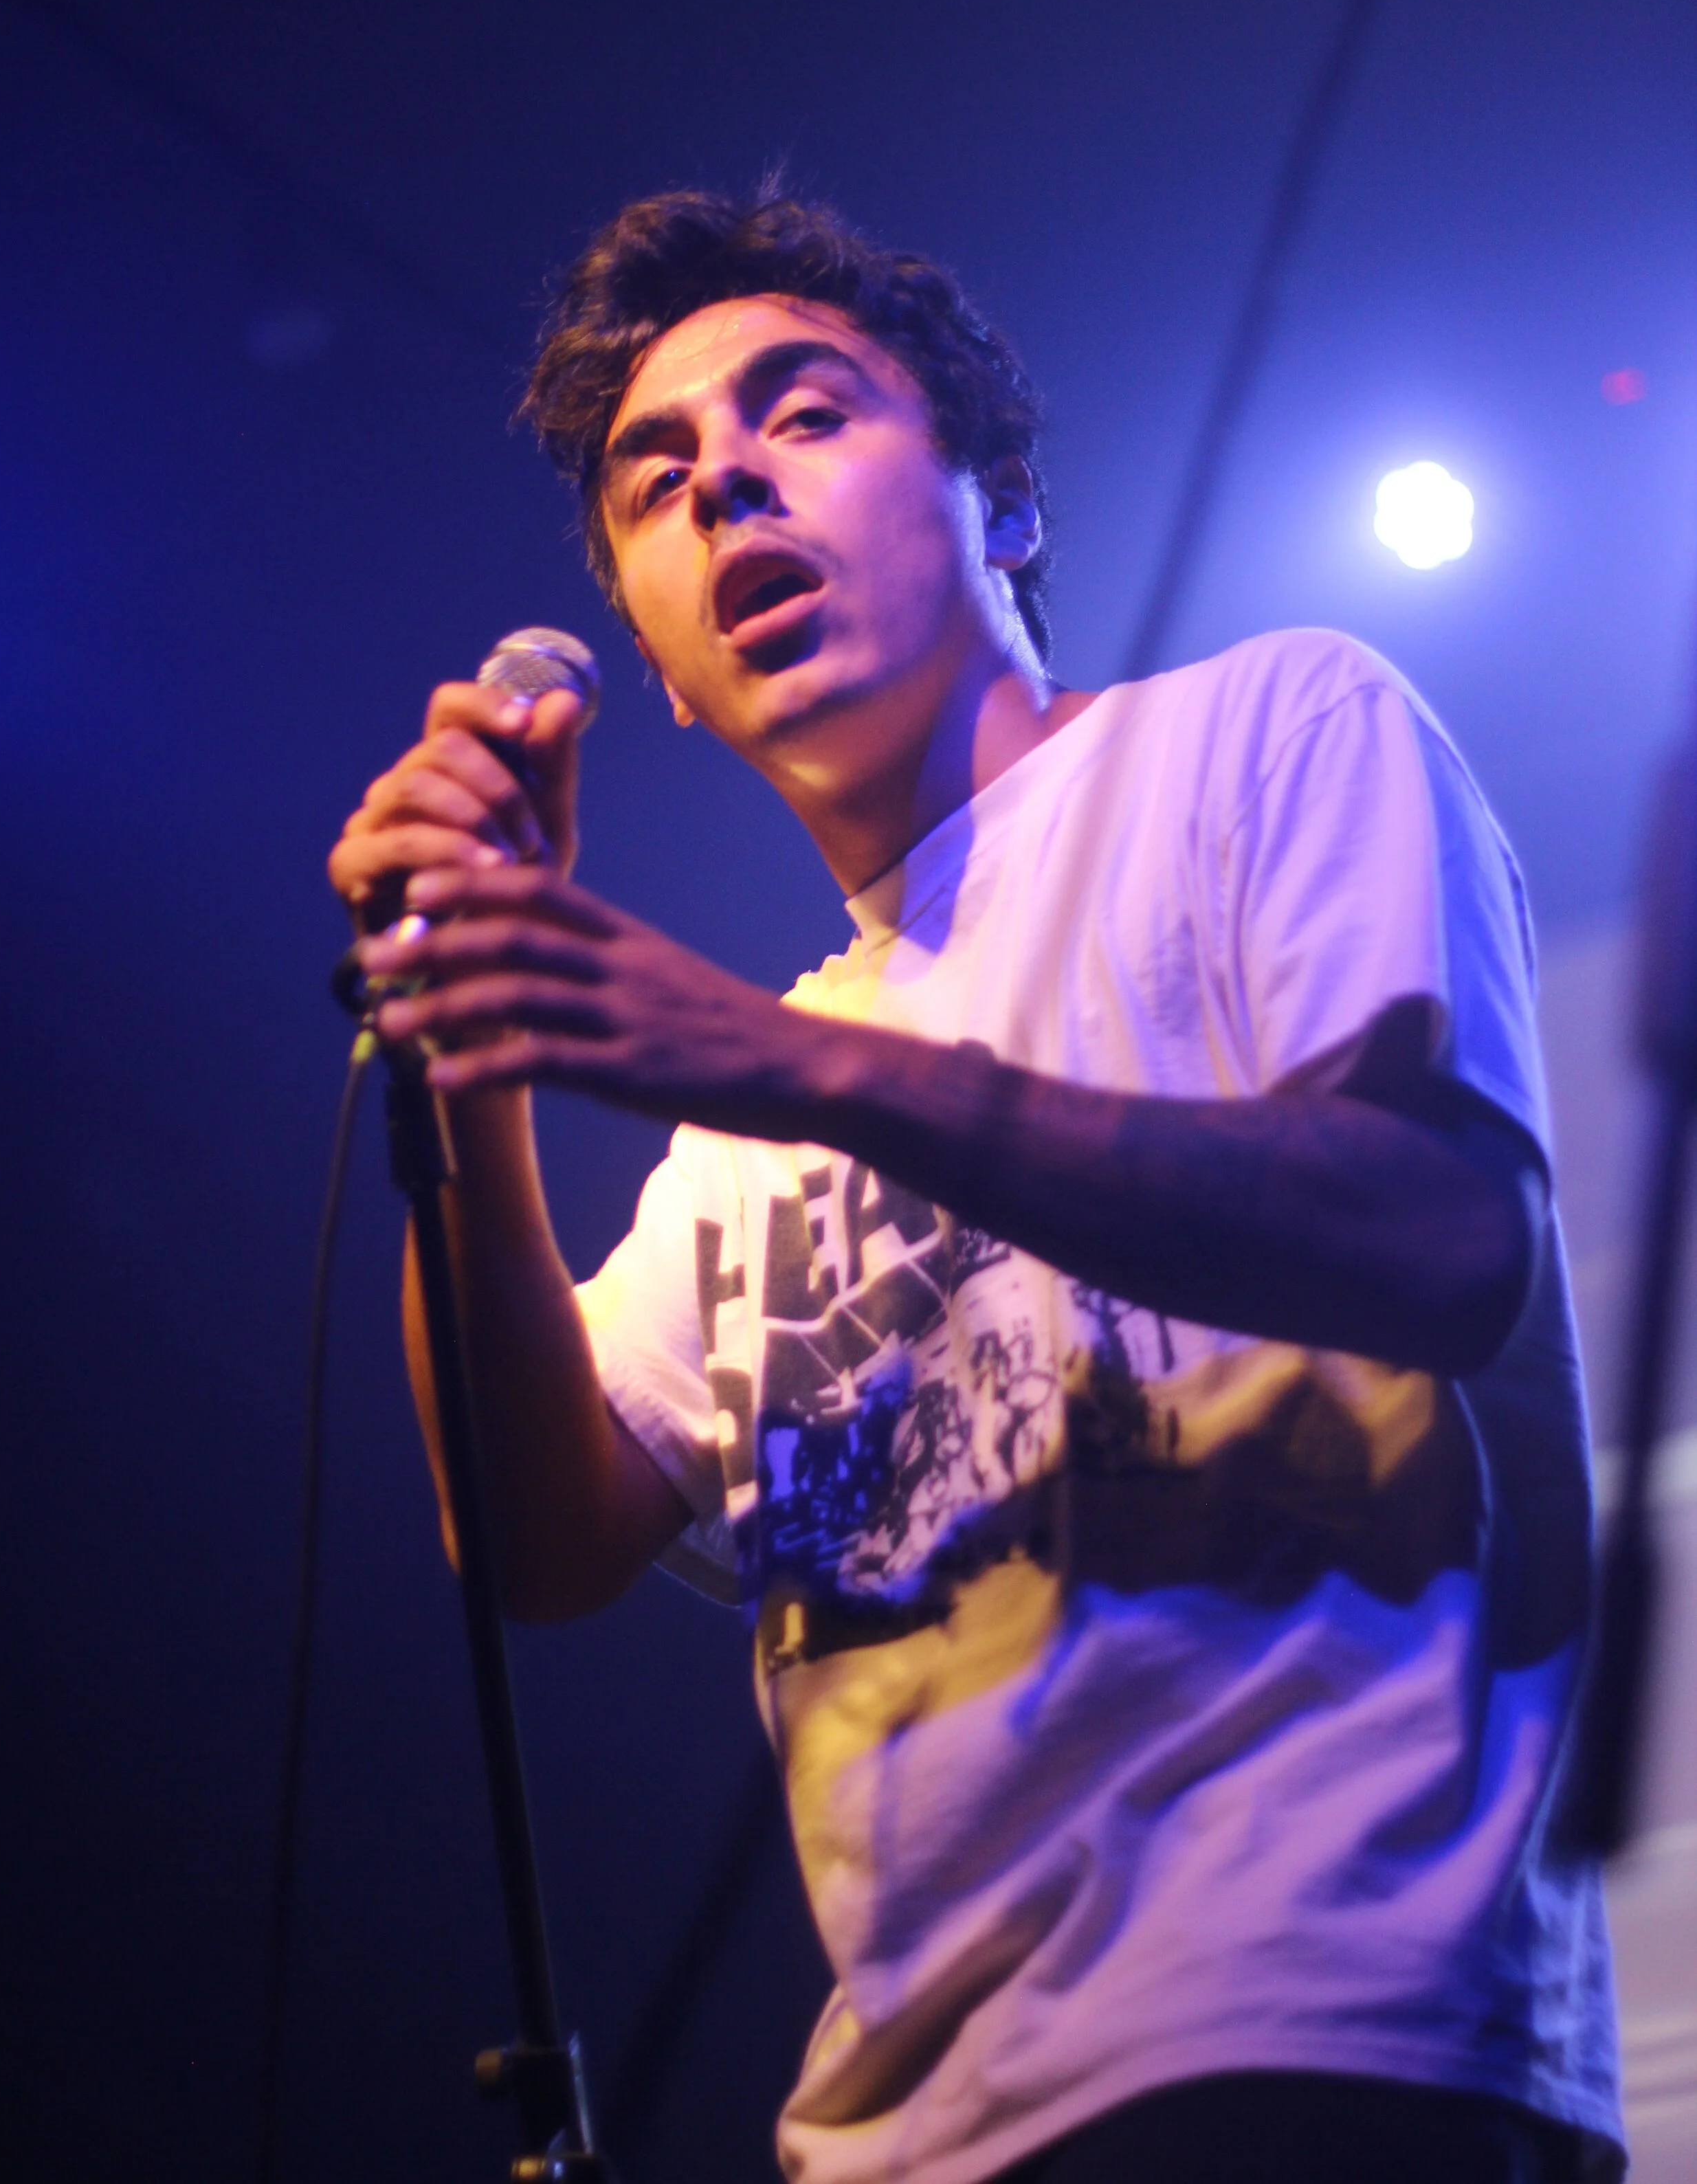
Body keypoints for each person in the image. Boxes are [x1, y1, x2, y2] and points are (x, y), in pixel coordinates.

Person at [329, 192, 1623, 2184]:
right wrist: (470, 1048)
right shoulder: (744, 1123)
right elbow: (538, 1540)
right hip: (904, 2133)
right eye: (657, 481)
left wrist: (796, 1067)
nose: (723, 481)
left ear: (1002, 503)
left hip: (1323, 2036)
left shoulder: (1267, 731)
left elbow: (1440, 1238)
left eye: (802, 413)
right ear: (659, 665)